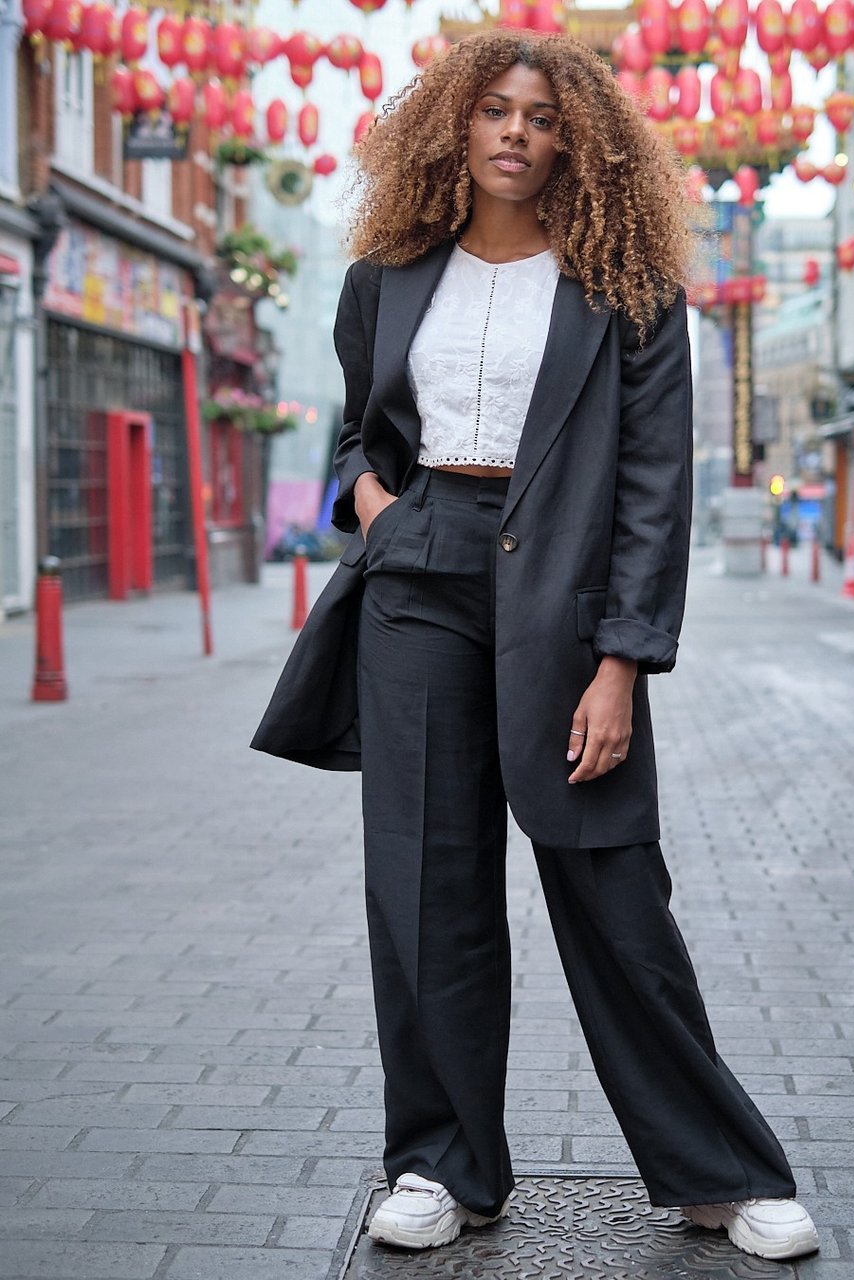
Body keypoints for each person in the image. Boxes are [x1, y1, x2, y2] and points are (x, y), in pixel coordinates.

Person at [252, 29, 819, 1264]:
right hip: (419, 575)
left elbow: (654, 487)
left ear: (581, 141)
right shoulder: (387, 275)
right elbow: (360, 430)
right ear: (454, 124)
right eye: (496, 109)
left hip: (563, 585)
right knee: (423, 887)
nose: (517, 131)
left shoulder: (626, 289)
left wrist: (622, 660)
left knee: (614, 889)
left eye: (544, 117)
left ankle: (719, 1169)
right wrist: (371, 504)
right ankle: (439, 1163)